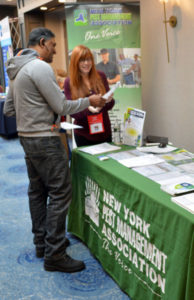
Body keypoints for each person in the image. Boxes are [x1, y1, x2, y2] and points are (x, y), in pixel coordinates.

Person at [3, 27, 106, 273]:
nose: (56, 50)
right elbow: (61, 105)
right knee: (60, 193)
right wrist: (88, 101)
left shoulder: (16, 69)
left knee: (37, 191)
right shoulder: (39, 67)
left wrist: (32, 110)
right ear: (42, 42)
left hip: (27, 139)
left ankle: (42, 243)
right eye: (53, 45)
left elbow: (8, 110)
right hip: (46, 140)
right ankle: (55, 253)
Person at [64, 45, 115, 147]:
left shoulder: (101, 76)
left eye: (88, 59)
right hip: (84, 135)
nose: (86, 63)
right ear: (75, 62)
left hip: (105, 132)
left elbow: (111, 105)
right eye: (82, 60)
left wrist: (108, 101)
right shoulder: (69, 82)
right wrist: (89, 109)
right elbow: (71, 111)